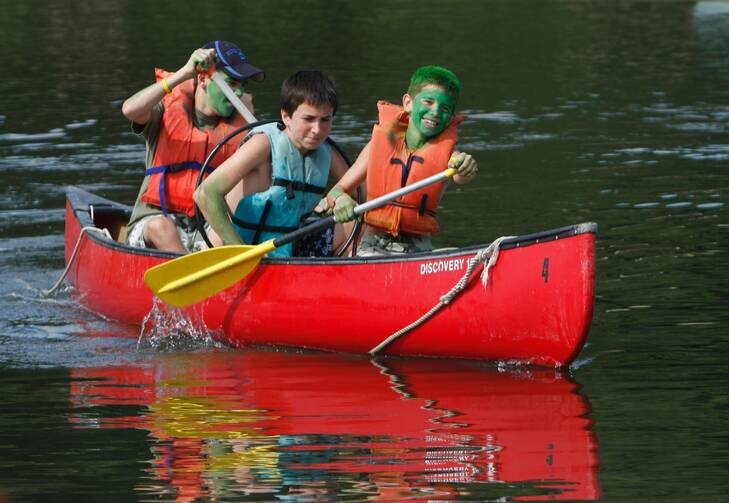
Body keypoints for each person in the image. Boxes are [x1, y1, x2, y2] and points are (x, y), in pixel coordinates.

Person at [122, 41, 265, 253]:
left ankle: (211, 263)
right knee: (163, 228)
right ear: (204, 79)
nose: (239, 91)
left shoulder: (245, 125)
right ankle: (191, 274)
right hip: (155, 224)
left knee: (258, 171)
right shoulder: (163, 110)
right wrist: (183, 73)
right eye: (232, 83)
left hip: (207, 227)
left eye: (242, 85)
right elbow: (130, 110)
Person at [320, 65, 478, 256]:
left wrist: (465, 168)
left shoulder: (450, 156)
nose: (435, 112)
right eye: (428, 102)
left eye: (444, 108)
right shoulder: (377, 146)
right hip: (373, 245)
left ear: (451, 116)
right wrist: (341, 199)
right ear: (408, 103)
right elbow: (336, 191)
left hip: (417, 248)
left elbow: (461, 176)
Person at [193, 70, 352, 258]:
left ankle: (340, 277)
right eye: (308, 119)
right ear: (286, 116)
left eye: (325, 120)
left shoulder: (327, 152)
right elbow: (205, 194)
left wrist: (341, 196)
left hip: (282, 250)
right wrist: (240, 252)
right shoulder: (263, 144)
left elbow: (362, 192)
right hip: (234, 248)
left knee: (356, 221)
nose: (317, 130)